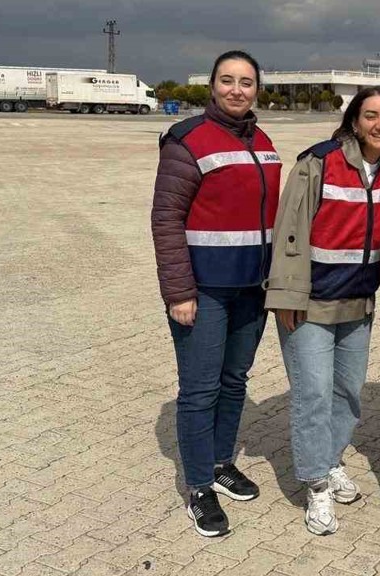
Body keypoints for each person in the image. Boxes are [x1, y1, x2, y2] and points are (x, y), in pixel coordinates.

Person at [151, 50, 281, 537]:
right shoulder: (187, 140)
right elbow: (165, 220)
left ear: (257, 90)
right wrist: (179, 292)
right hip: (203, 293)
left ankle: (223, 461)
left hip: (252, 291)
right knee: (200, 390)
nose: (236, 90)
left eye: (246, 82)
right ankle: (199, 485)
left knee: (234, 382)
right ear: (211, 86)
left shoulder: (263, 140)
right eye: (227, 81)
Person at [265, 86, 380, 535]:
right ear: (354, 121)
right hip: (309, 305)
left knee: (347, 393)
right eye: (371, 116)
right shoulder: (319, 162)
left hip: (357, 304)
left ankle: (330, 460)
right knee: (313, 397)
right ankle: (316, 484)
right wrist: (287, 297)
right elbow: (290, 229)